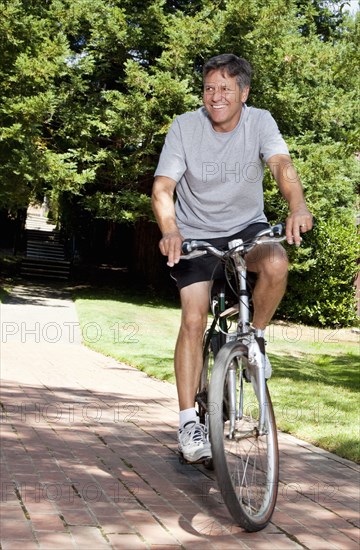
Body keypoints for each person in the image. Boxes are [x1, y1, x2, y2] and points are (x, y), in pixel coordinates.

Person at [151, 53, 313, 463]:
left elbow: (281, 165)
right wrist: (170, 230)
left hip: (246, 230)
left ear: (244, 92)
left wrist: (297, 205)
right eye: (209, 88)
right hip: (195, 234)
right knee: (193, 316)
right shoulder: (185, 127)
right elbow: (163, 187)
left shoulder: (260, 122)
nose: (216, 96)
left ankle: (253, 338)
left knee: (276, 262)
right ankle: (189, 421)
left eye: (225, 88)